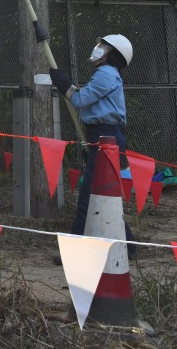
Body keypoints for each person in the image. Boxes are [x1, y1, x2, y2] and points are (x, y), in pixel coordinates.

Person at [49, 34, 134, 239]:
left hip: (106, 134)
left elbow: (80, 100)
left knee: (89, 193)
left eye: (103, 46)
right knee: (104, 192)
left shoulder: (106, 73)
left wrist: (63, 84)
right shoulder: (108, 74)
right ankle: (127, 243)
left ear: (112, 53)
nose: (98, 48)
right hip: (102, 133)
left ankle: (76, 246)